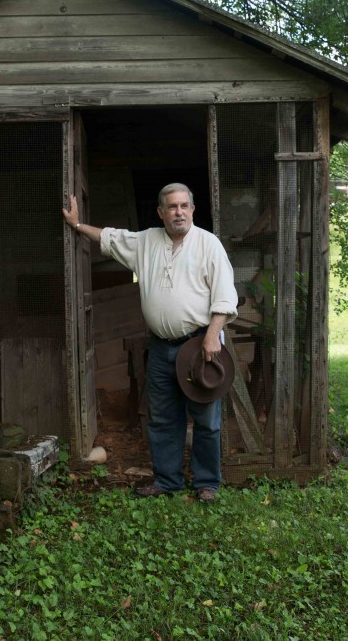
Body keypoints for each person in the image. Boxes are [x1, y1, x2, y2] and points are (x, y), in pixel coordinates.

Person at [62, 183, 238, 501]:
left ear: (193, 209)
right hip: (159, 347)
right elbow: (109, 238)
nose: (179, 212)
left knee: (206, 420)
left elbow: (225, 296)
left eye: (184, 205)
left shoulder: (208, 245)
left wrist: (212, 336)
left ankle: (206, 483)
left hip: (199, 346)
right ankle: (168, 481)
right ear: (161, 212)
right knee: (162, 418)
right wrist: (77, 225)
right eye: (172, 207)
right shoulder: (146, 242)